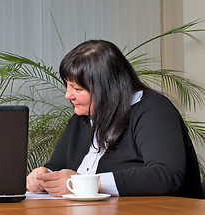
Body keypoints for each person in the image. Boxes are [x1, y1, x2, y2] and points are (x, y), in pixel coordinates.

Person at [26, 40, 204, 199]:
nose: (67, 95)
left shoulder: (153, 109)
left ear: (107, 89)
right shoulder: (80, 118)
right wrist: (44, 175)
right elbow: (58, 166)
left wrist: (84, 183)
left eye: (77, 89)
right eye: (67, 85)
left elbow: (166, 175)